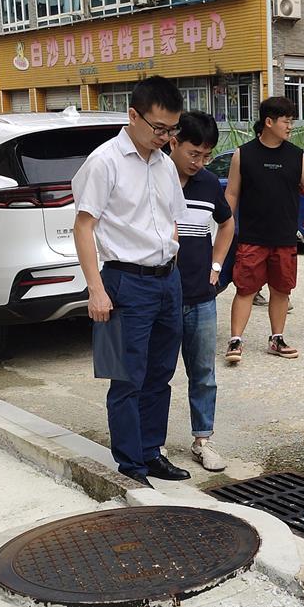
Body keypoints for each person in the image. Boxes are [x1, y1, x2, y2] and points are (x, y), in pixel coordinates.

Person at [72, 76, 189, 489]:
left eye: (171, 129)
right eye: (159, 128)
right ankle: (131, 467)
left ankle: (152, 452)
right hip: (125, 282)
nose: (165, 137)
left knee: (160, 373)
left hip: (166, 281)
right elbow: (83, 228)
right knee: (127, 379)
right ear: (133, 115)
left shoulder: (163, 163)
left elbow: (172, 216)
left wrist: (171, 253)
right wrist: (96, 290)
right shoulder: (105, 162)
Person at [222, 96, 304, 363]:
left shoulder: (296, 156)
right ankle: (235, 341)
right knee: (245, 289)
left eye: (291, 121)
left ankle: (276, 339)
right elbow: (231, 194)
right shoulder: (242, 154)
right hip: (252, 238)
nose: (290, 126)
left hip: (285, 238)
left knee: (281, 290)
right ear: (269, 122)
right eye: (285, 120)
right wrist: (223, 223)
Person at [168, 111, 235, 472]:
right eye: (194, 153)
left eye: (206, 155)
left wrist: (215, 267)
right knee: (156, 374)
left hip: (200, 297)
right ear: (173, 142)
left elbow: (227, 224)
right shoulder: (154, 178)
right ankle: (153, 445)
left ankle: (202, 440)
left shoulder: (209, 183)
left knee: (203, 373)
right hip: (161, 295)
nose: (199, 162)